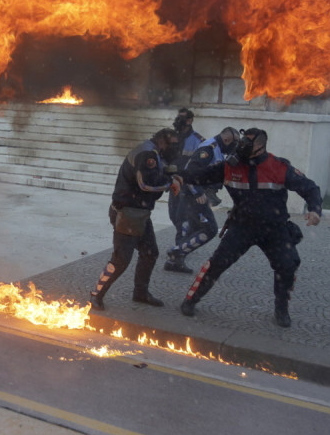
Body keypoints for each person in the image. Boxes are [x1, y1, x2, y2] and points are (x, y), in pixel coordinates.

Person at [179, 128, 322, 327]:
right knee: (217, 263)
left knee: (288, 265)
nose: (242, 146)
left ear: (260, 146)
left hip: (274, 229)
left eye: (248, 143)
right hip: (242, 226)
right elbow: (199, 176)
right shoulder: (229, 167)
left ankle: (281, 310)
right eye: (242, 141)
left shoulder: (279, 166)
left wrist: (315, 209)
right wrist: (176, 172)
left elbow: (310, 188)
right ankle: (191, 300)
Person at [89, 128, 182, 311]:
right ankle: (96, 295)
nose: (174, 148)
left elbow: (153, 177)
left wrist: (169, 176)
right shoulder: (147, 153)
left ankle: (140, 293)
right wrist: (170, 184)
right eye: (172, 144)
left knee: (150, 252)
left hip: (139, 213)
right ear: (162, 141)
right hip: (128, 214)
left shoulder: (151, 151)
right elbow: (145, 184)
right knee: (121, 259)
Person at [164, 127, 240, 273]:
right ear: (226, 140)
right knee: (209, 228)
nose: (233, 148)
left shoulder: (217, 148)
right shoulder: (209, 149)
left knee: (193, 226)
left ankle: (175, 260)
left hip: (195, 193)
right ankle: (176, 252)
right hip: (193, 194)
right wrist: (198, 192)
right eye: (233, 144)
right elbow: (190, 171)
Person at [167, 108, 205, 244]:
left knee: (181, 216)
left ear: (189, 121)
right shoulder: (172, 138)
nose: (178, 121)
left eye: (181, 118)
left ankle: (179, 250)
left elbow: (201, 166)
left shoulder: (197, 141)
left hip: (188, 185)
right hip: (173, 183)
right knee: (173, 214)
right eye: (178, 117)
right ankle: (189, 233)